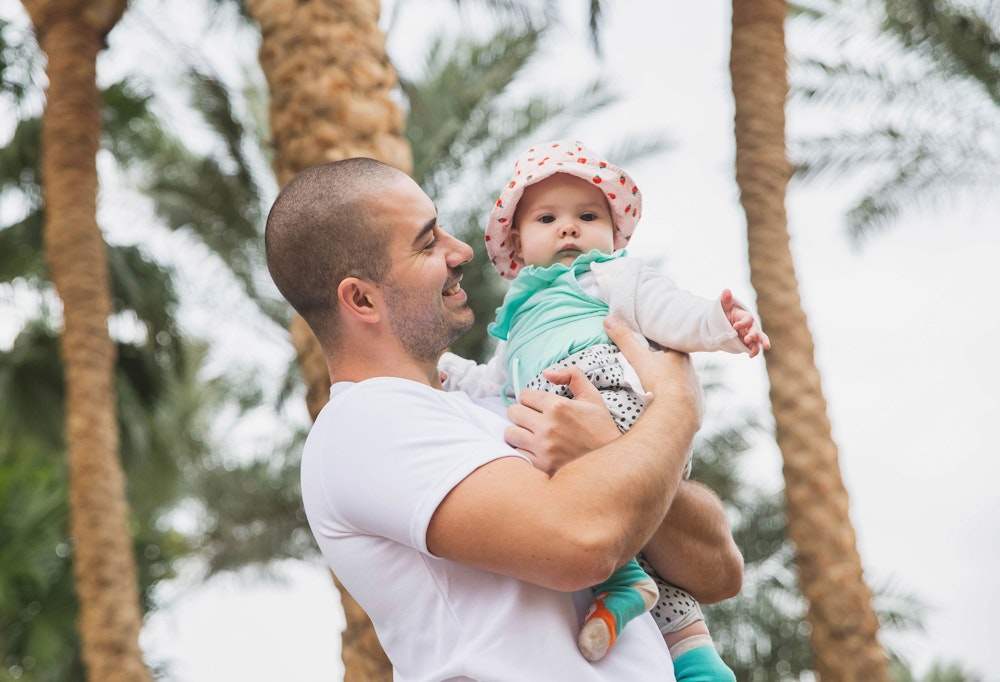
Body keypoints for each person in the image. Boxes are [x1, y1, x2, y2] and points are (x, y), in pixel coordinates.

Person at [264, 156, 743, 682]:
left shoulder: (500, 403)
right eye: (428, 242)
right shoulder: (362, 423)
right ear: (361, 298)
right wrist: (677, 408)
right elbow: (581, 544)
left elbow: (718, 571)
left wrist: (615, 453)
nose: (463, 249)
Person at [438, 140, 768, 676]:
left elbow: (668, 310)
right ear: (517, 243)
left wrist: (721, 325)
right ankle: (698, 661)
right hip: (595, 435)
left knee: (549, 465)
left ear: (613, 236)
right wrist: (448, 373)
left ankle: (620, 582)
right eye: (548, 217)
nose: (569, 229)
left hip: (611, 401)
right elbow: (490, 385)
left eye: (587, 216)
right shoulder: (517, 322)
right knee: (626, 530)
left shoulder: (607, 278)